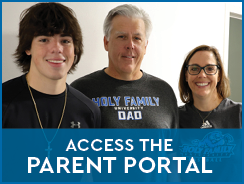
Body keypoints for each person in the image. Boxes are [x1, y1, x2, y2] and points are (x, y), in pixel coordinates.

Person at [71, 4, 178, 128]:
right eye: (122, 37)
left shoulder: (164, 92)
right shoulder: (80, 91)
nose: (130, 45)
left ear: (145, 46)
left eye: (137, 38)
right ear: (106, 42)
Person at [2, 2, 101, 128]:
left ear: (75, 49)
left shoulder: (89, 111)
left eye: (65, 41)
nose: (57, 49)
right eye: (44, 40)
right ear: (27, 47)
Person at [178, 45, 242, 128]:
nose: (202, 75)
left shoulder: (239, 113)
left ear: (219, 75)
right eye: (194, 68)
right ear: (186, 75)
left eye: (210, 68)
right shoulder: (175, 117)